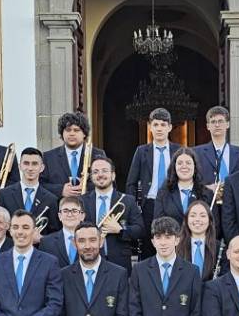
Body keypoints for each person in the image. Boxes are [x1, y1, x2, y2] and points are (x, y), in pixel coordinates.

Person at [127, 107, 175, 248]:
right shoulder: (141, 151)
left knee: (173, 241)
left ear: (170, 127)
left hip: (173, 202)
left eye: (163, 125)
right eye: (155, 124)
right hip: (149, 204)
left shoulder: (179, 150)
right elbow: (131, 183)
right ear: (150, 127)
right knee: (149, 244)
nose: (159, 128)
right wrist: (133, 208)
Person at [83, 156, 143, 267]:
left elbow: (139, 230)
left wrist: (120, 230)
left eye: (104, 171)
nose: (100, 174)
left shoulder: (127, 200)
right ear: (91, 177)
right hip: (89, 260)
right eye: (95, 172)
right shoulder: (82, 201)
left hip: (119, 261)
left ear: (113, 175)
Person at [41, 111, 106, 199]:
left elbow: (108, 181)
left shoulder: (97, 154)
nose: (72, 133)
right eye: (68, 130)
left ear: (84, 134)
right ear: (62, 133)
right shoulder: (48, 157)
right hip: (60, 206)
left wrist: (86, 188)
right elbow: (40, 185)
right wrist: (61, 190)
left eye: (76, 130)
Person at [0, 147, 60, 236]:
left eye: (34, 164)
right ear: (20, 166)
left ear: (42, 168)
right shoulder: (4, 195)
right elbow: (0, 226)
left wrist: (41, 238)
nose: (30, 168)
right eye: (26, 163)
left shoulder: (51, 199)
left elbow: (55, 233)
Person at [152, 147, 211, 229]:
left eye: (188, 163)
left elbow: (214, 225)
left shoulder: (207, 193)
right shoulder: (163, 193)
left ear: (195, 166)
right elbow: (158, 225)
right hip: (172, 237)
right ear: (174, 167)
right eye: (180, 163)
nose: (184, 166)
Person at [193, 105, 239, 188]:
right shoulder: (196, 153)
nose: (217, 125)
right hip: (208, 196)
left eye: (220, 121)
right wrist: (207, 188)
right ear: (208, 126)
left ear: (227, 124)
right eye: (213, 122)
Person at [38, 196, 86, 268]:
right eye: (65, 211)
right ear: (59, 216)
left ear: (82, 216)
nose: (70, 214)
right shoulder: (46, 243)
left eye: (74, 211)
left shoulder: (92, 240)